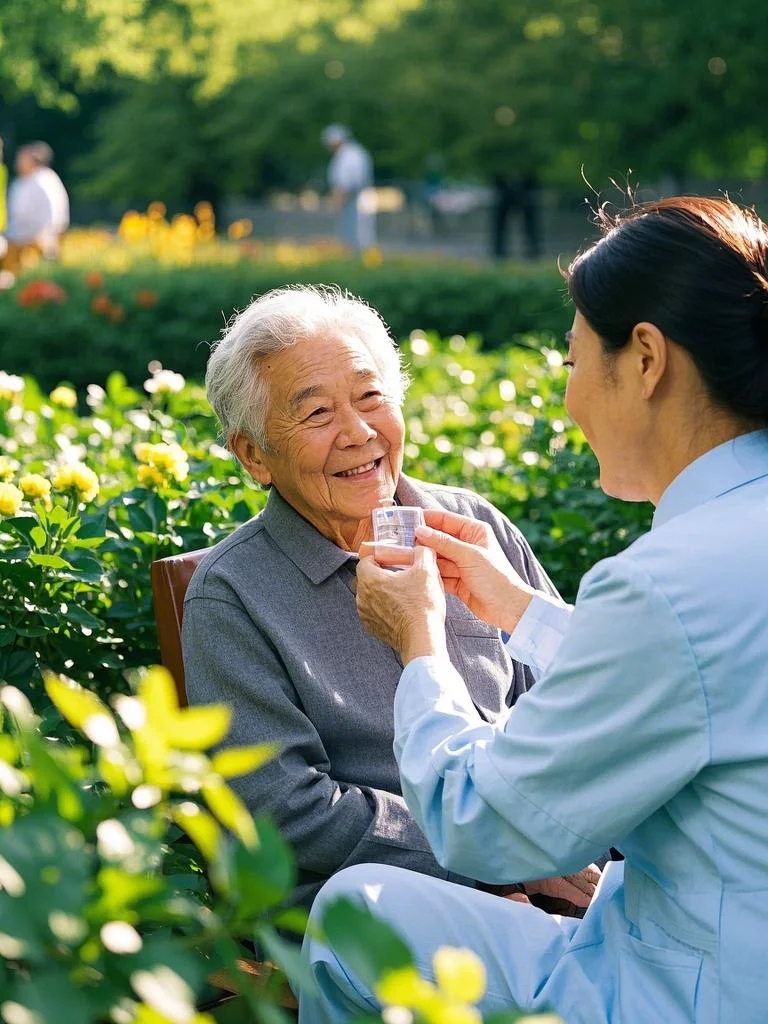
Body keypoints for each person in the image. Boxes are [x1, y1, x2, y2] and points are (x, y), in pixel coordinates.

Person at [301, 196, 768, 1023]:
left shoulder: (663, 580)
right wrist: (521, 610)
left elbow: (488, 826)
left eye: (573, 360)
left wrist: (419, 646)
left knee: (352, 912)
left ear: (648, 359)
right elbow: (698, 676)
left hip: (689, 991)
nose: (569, 399)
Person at [183, 284, 597, 911]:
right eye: (316, 413)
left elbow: (571, 709)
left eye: (371, 398)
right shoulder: (232, 596)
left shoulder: (470, 527)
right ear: (253, 455)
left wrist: (552, 838)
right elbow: (288, 813)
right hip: (389, 901)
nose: (357, 432)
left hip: (556, 858)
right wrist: (486, 860)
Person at [3, 141, 70, 274]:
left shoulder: (46, 179)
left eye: (22, 158)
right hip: (18, 235)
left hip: (41, 234)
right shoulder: (20, 182)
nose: (18, 162)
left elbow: (55, 209)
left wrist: (50, 235)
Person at [321, 124, 376, 252]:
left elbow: (344, 184)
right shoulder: (355, 152)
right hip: (357, 197)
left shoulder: (347, 156)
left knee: (357, 233)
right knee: (359, 232)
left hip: (356, 198)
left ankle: (360, 259)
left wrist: (336, 203)